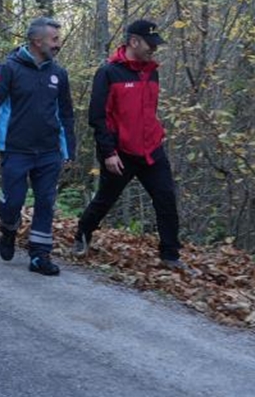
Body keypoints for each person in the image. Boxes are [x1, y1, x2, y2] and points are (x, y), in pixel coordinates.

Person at [72, 19, 189, 271]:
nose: (154, 49)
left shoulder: (152, 71)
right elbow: (97, 117)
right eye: (151, 44)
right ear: (134, 41)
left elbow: (149, 110)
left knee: (166, 198)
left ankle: (170, 254)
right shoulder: (109, 72)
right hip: (120, 152)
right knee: (106, 198)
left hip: (151, 150)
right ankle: (83, 232)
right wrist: (108, 153)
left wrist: (156, 133)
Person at [0, 16, 76, 276]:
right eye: (54, 39)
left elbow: (66, 113)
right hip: (16, 150)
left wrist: (69, 149)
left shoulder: (59, 74)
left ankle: (39, 256)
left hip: (48, 152)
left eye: (58, 39)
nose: (58, 44)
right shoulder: (9, 69)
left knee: (45, 201)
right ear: (36, 40)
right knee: (14, 201)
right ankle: (8, 228)